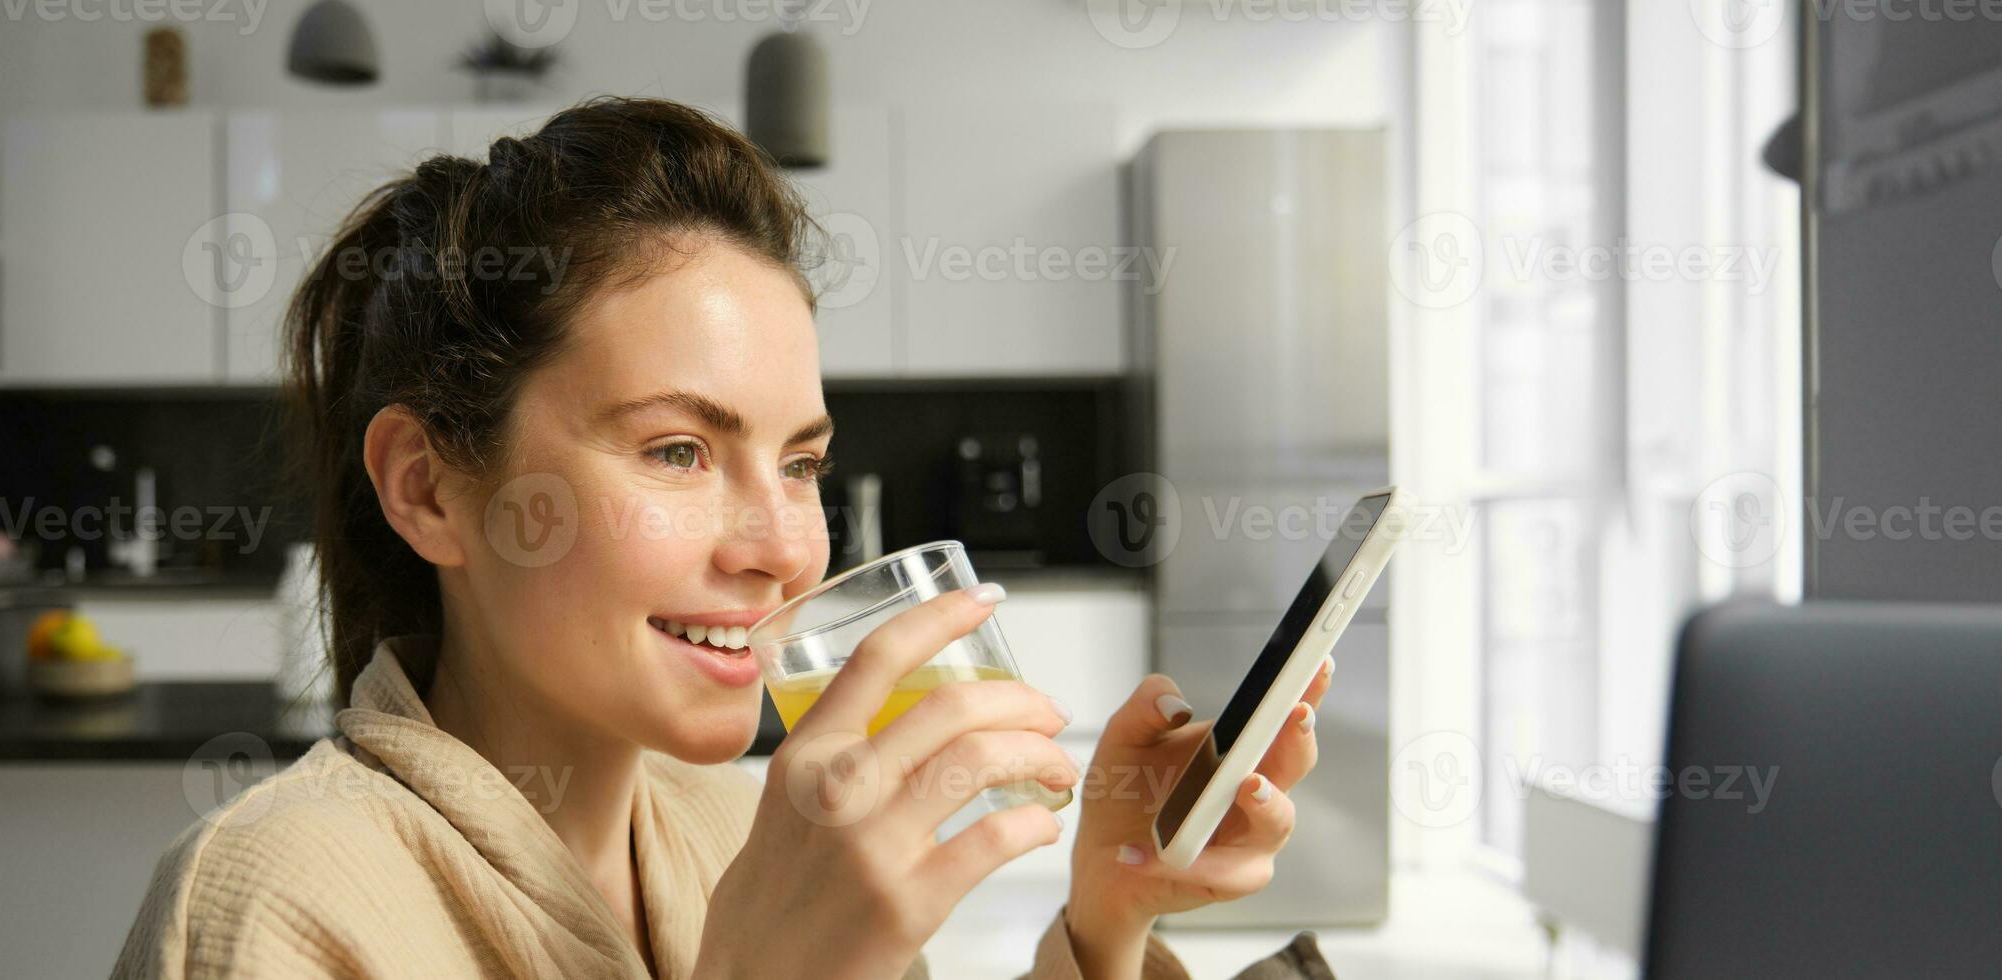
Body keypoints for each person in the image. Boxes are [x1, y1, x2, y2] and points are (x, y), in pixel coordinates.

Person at [113, 97, 1334, 980]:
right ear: (428, 489)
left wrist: (1103, 917)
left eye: (799, 462)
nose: (779, 548)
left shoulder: (728, 821)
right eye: (676, 451)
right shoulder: (277, 905)